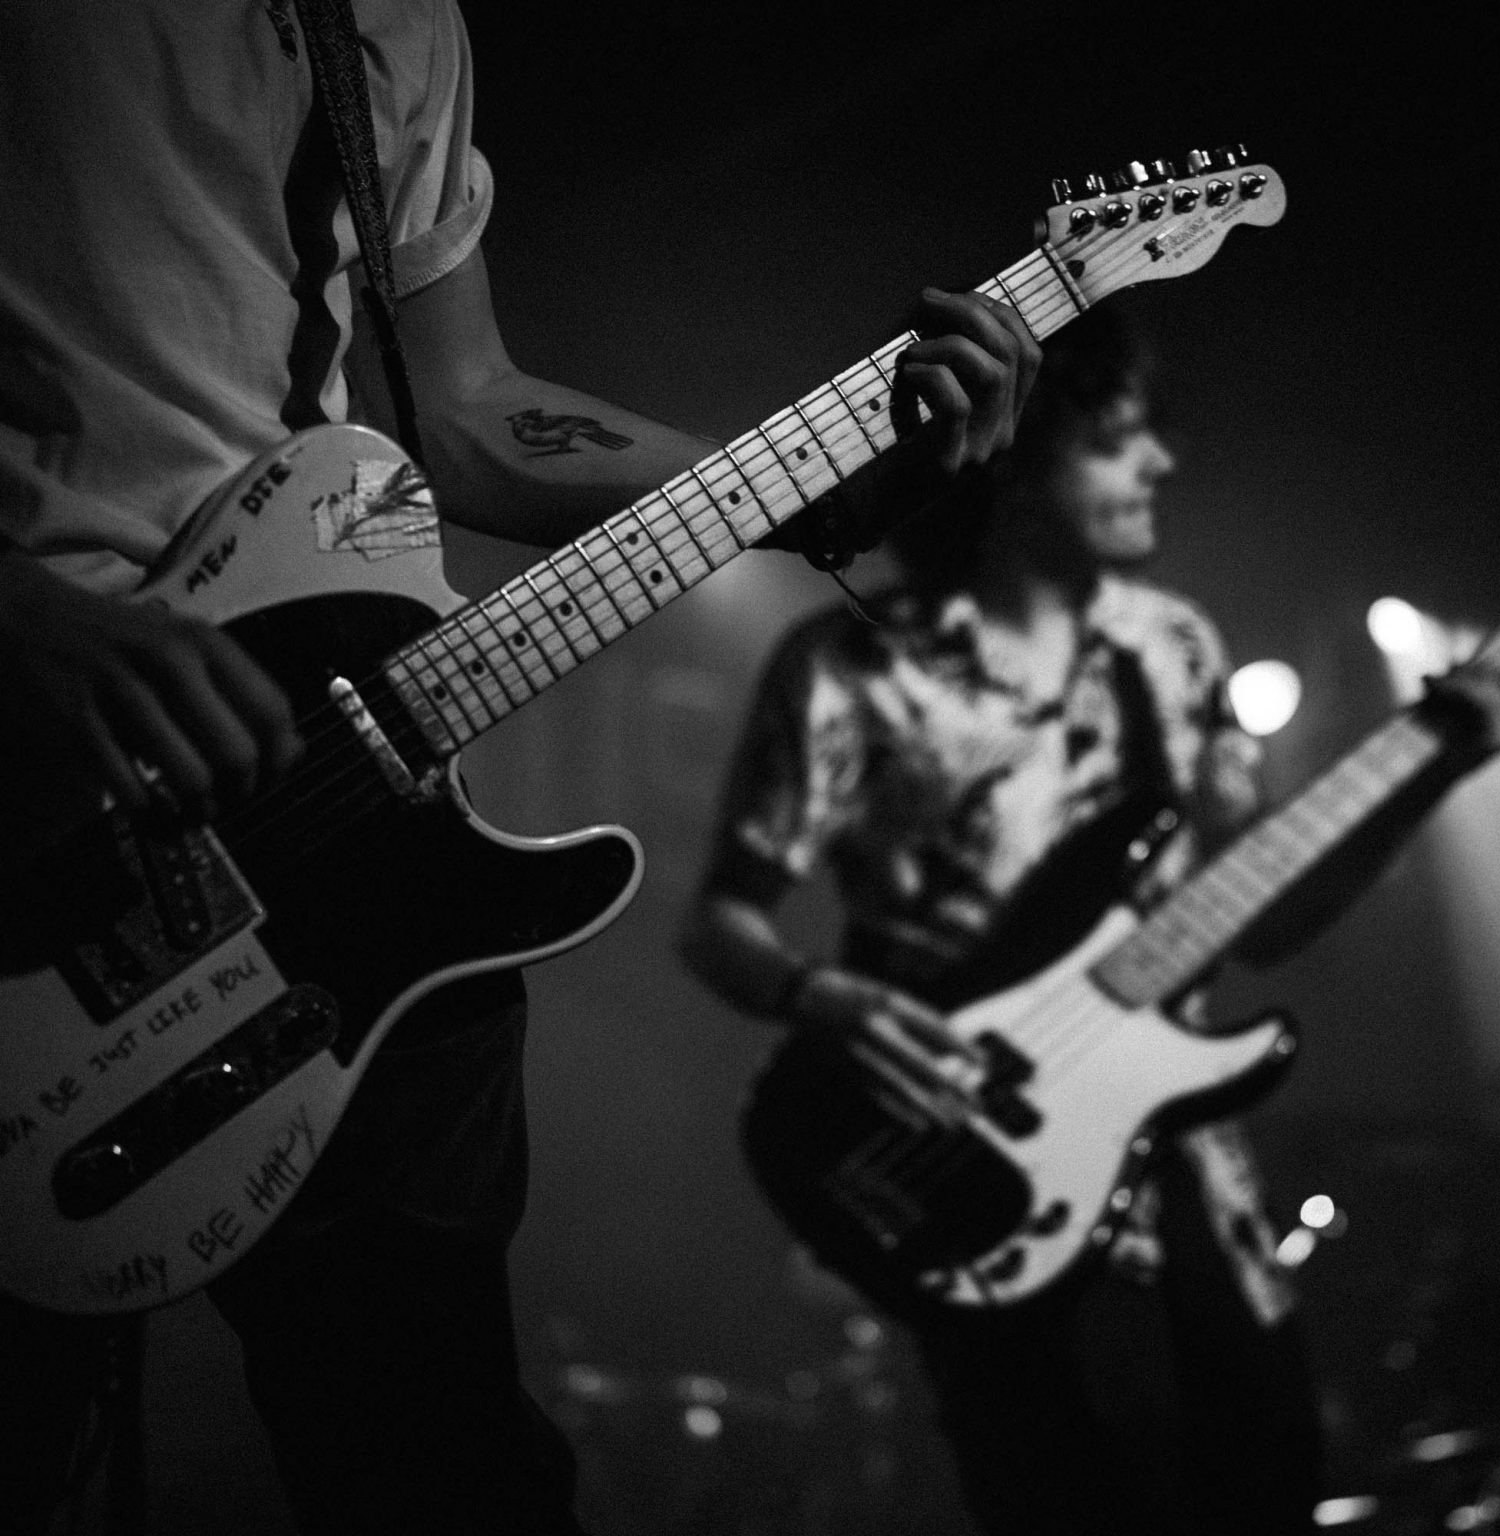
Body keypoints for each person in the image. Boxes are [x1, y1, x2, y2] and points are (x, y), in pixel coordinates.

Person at [0, 4, 1039, 1533]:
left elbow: (470, 411)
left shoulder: (397, 17)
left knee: (442, 1461)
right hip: (36, 749)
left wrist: (826, 476)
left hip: (326, 791)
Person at [676, 300, 1500, 1535]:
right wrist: (822, 999)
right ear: (1021, 463)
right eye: (1120, 439)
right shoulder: (852, 665)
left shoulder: (1172, 649)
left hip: (1194, 1192)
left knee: (1268, 1484)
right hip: (978, 1181)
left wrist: (1434, 770)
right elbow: (718, 925)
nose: (1159, 464)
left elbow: (1261, 922)